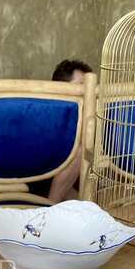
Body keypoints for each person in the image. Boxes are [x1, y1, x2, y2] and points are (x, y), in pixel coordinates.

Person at [47, 59, 92, 202]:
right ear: (61, 89)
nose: (86, 94)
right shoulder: (48, 115)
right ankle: (50, 208)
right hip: (38, 176)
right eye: (80, 87)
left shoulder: (89, 116)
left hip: (72, 187)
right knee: (80, 150)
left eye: (89, 89)